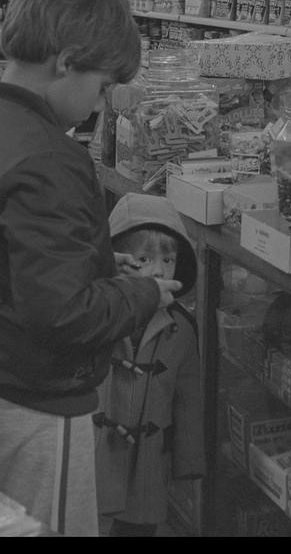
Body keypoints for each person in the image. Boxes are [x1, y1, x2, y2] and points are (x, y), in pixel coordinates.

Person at [0, 0, 183, 536]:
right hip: (34, 400)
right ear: (67, 61)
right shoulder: (48, 156)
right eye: (101, 87)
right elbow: (64, 315)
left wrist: (95, 261)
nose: (99, 105)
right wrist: (140, 292)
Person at [96, 193, 205, 537]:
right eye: (144, 258)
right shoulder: (96, 315)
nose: (159, 270)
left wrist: (189, 460)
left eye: (168, 260)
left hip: (148, 459)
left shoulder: (181, 328)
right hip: (96, 454)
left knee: (139, 527)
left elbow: (189, 397)